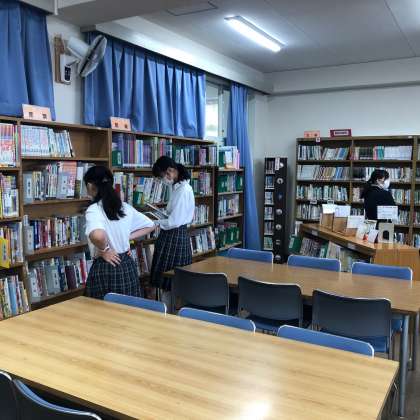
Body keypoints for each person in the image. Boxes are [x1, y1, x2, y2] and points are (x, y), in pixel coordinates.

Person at [84, 166, 155, 299]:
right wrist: (126, 237)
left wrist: (105, 249)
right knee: (129, 307)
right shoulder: (124, 207)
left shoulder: (94, 209)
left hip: (107, 265)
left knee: (103, 308)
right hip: (126, 264)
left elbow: (98, 236)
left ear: (90, 186)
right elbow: (150, 225)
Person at [150, 156, 195, 295]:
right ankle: (165, 304)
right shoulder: (176, 187)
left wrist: (154, 222)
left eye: (161, 176)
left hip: (175, 236)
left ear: (170, 171)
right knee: (164, 280)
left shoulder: (183, 190)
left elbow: (174, 222)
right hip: (171, 235)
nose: (162, 180)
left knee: (171, 280)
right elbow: (173, 214)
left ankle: (171, 306)